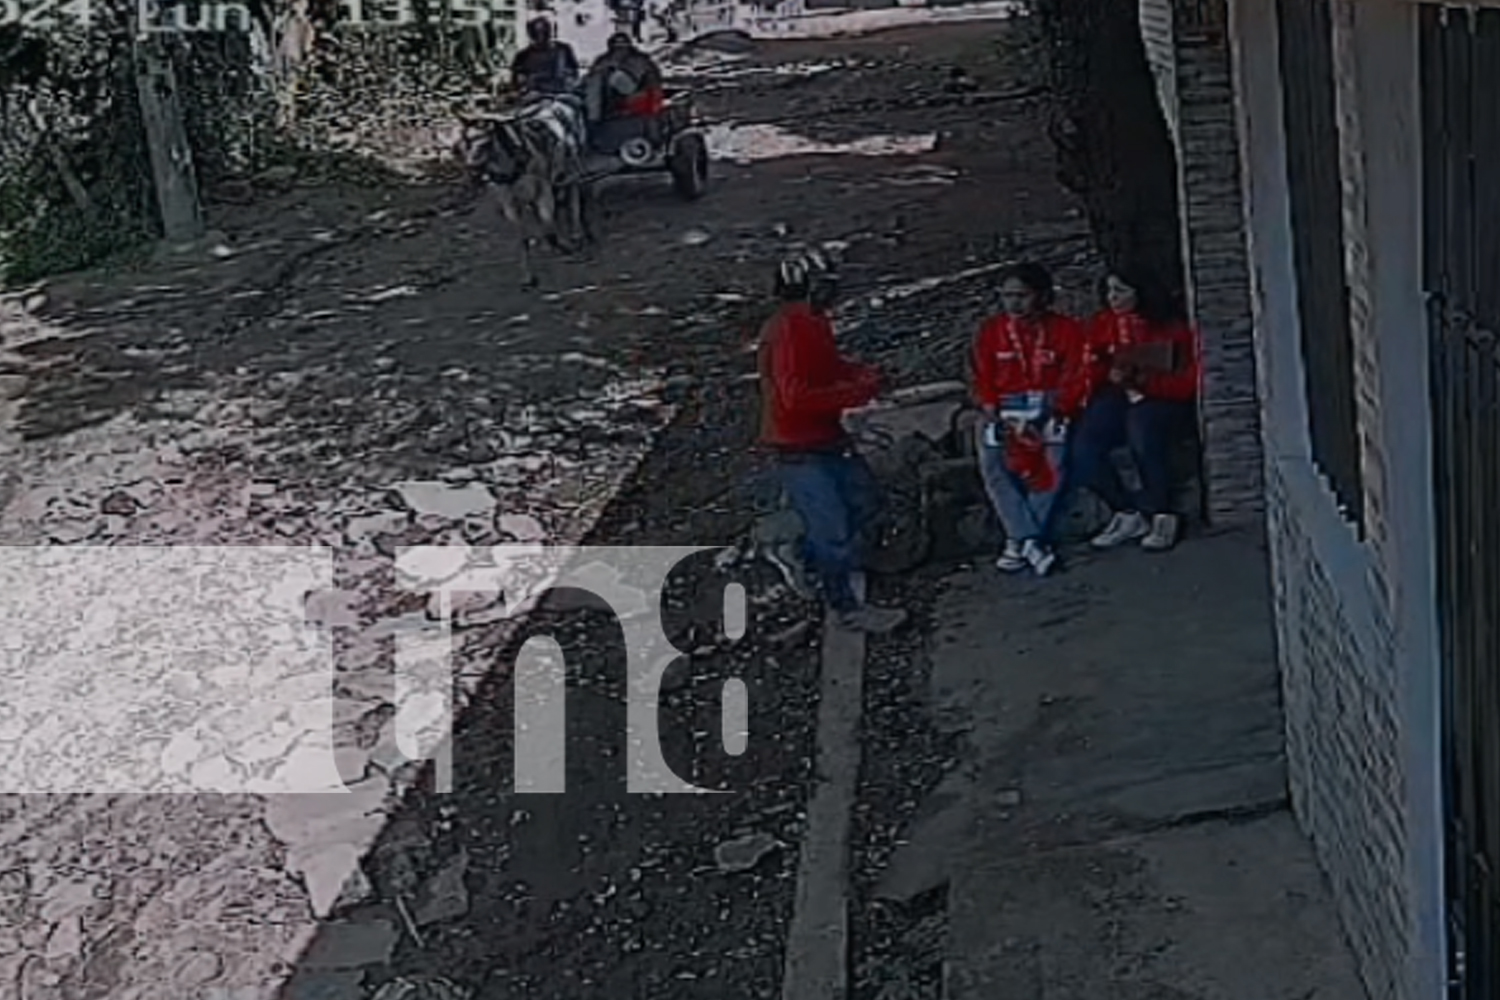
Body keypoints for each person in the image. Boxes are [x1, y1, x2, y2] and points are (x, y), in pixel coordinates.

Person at [758, 251, 908, 633]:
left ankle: (803, 558)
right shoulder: (788, 329)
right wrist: (857, 392)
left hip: (826, 435)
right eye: (825, 282)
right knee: (834, 529)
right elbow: (797, 397)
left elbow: (829, 366)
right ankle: (846, 608)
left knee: (865, 501)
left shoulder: (813, 321)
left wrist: (866, 374)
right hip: (798, 448)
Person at [1067, 266, 1201, 552]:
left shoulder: (1169, 327)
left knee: (1143, 432)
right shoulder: (1103, 324)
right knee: (1084, 445)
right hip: (1117, 394)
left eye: (1121, 290)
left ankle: (1163, 512)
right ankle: (1126, 512)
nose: (1113, 297)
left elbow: (1186, 381)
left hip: (1159, 397)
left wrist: (1143, 380)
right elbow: (1089, 368)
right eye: (1109, 291)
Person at [969, 262, 1089, 577]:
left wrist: (1057, 408)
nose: (1014, 304)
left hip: (1048, 402)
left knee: (1053, 463)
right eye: (1007, 296)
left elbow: (1076, 376)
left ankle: (1019, 539)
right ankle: (1029, 538)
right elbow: (982, 376)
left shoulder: (1066, 330)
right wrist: (990, 406)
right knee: (992, 462)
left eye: (1022, 295)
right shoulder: (990, 331)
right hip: (1005, 405)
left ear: (1042, 296)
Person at [584, 31, 664, 125]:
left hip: (637, 98)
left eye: (622, 44)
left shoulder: (640, 59)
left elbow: (651, 84)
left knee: (603, 79)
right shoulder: (603, 60)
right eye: (617, 44)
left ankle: (593, 117)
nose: (620, 47)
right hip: (613, 101)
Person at [509, 17, 580, 96]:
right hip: (533, 96)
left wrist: (567, 81)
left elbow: (573, 73)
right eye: (537, 34)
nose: (541, 37)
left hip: (561, 94)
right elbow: (517, 81)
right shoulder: (522, 56)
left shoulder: (563, 50)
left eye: (544, 33)